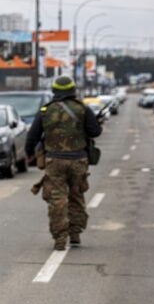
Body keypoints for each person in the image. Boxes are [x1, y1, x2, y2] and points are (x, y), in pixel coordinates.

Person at [24, 76, 102, 251]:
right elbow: (95, 132)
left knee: (57, 199)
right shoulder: (83, 109)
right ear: (73, 90)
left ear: (55, 90)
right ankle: (75, 234)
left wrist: (29, 154)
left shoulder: (46, 111)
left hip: (55, 161)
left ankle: (60, 238)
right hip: (78, 161)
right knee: (76, 196)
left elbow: (32, 137)